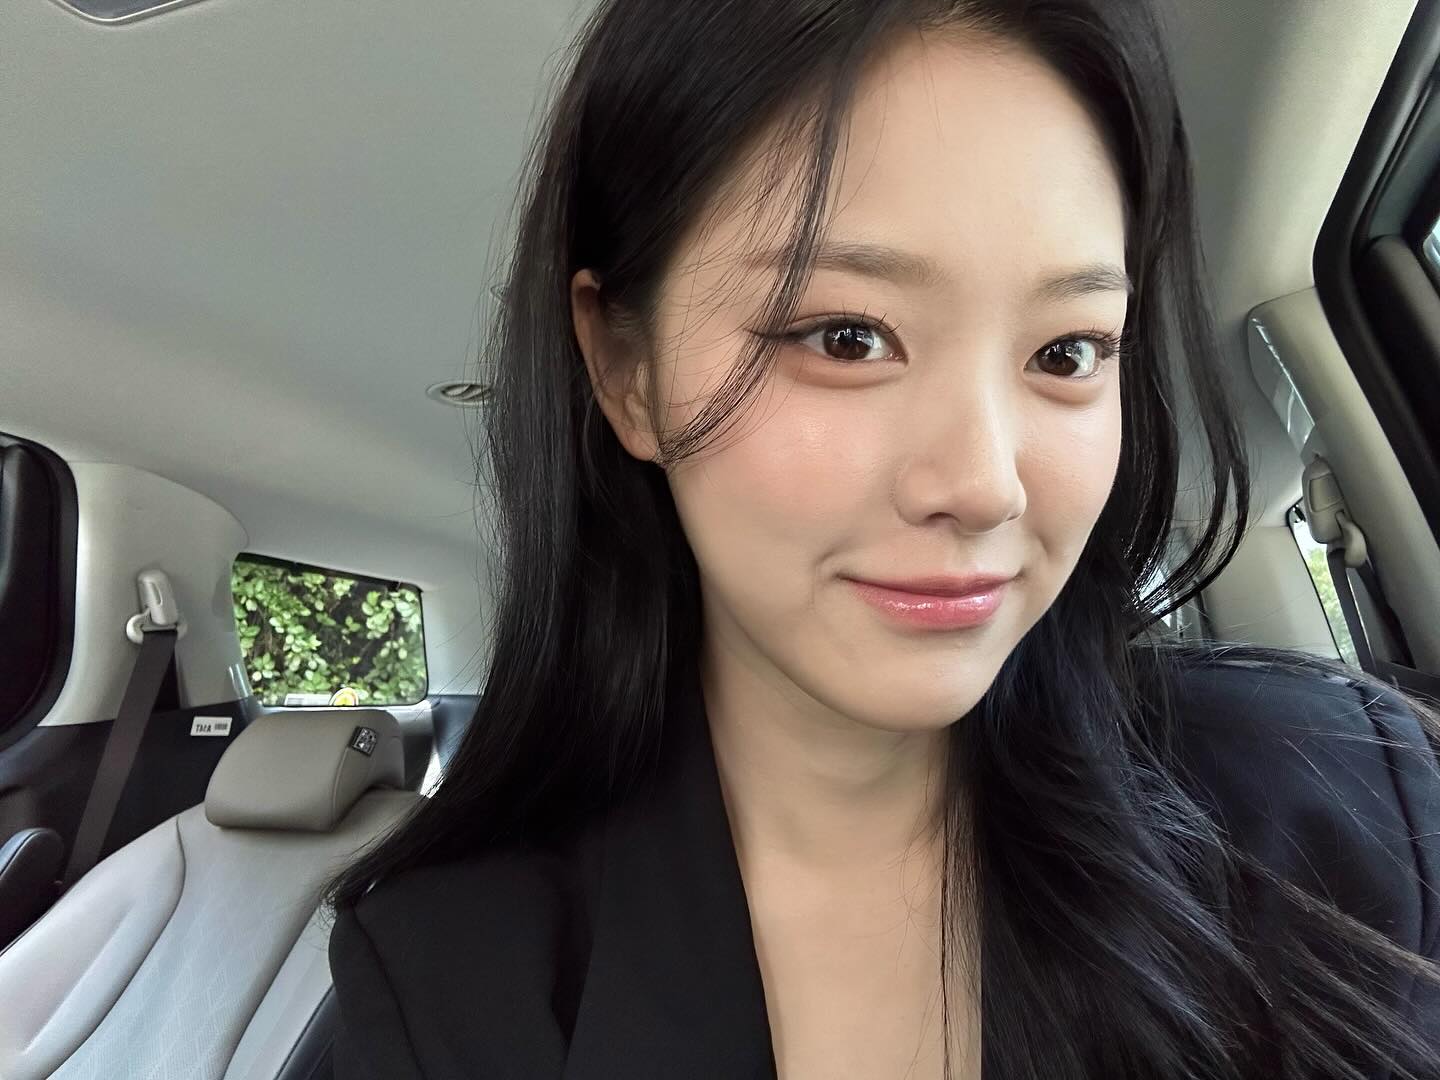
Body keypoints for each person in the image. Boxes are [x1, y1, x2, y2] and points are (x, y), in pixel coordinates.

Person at [324, 1, 1440, 1076]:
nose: (985, 486)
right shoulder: (449, 988)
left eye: (1067, 352)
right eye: (846, 337)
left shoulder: (1349, 812)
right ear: (628, 370)